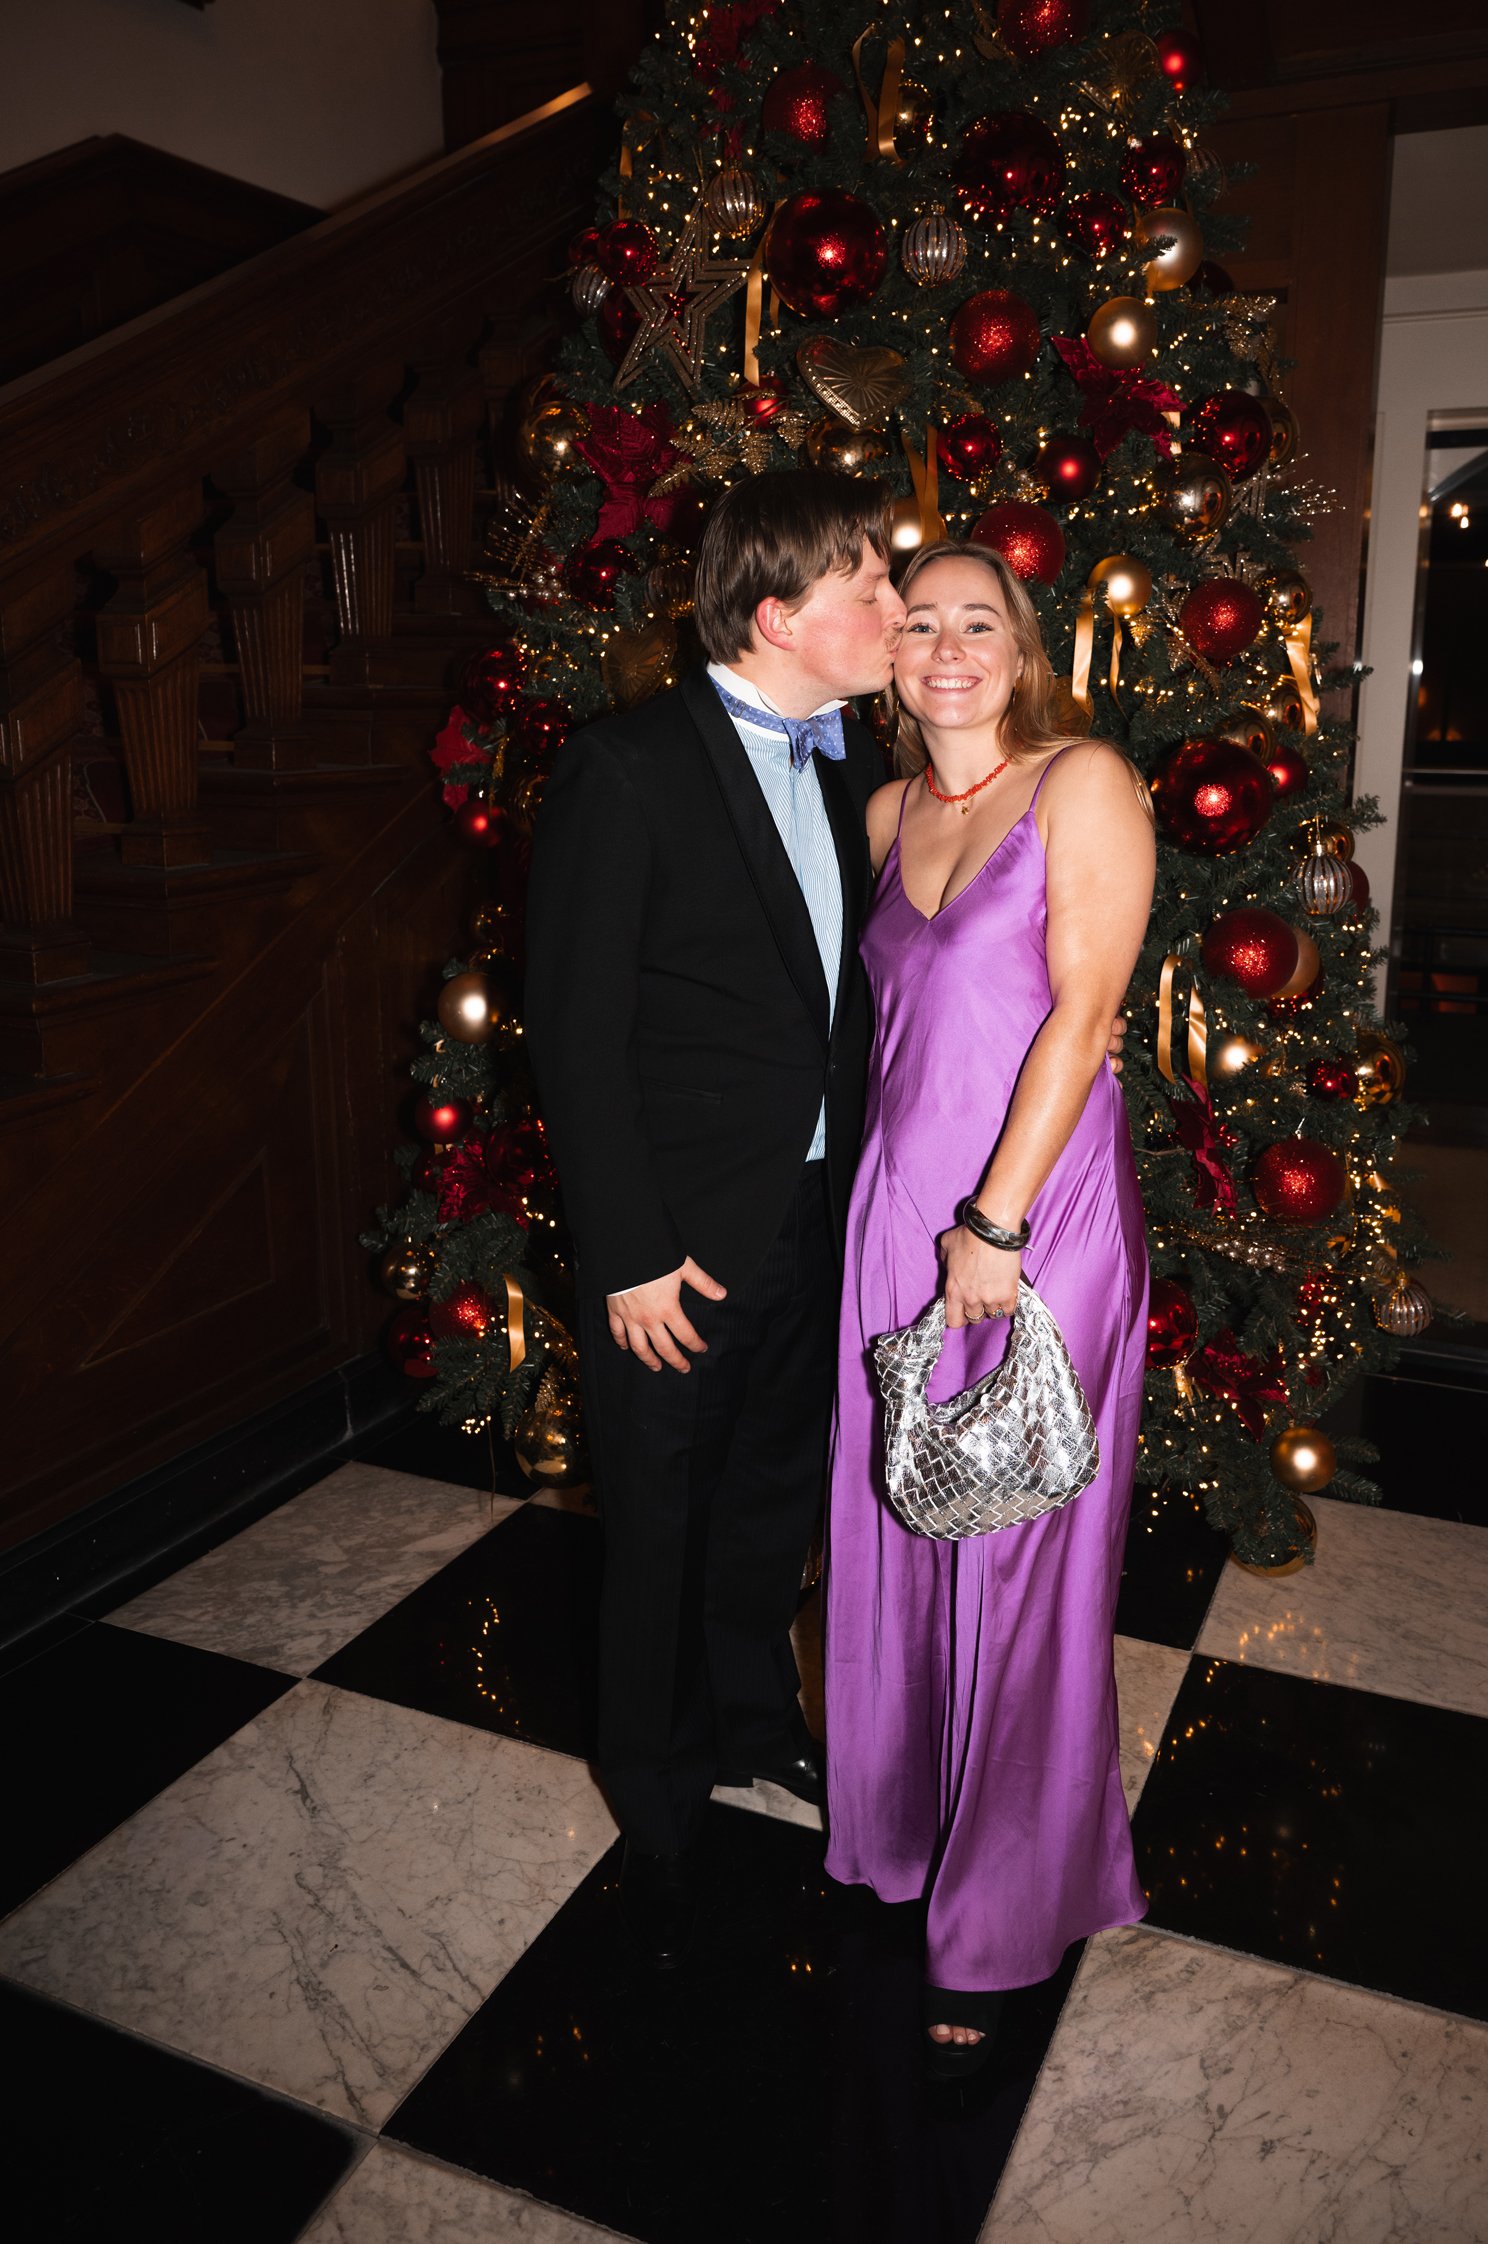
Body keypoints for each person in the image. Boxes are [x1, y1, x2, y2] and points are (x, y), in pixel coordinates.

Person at [524, 469, 903, 1963]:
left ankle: (753, 1717)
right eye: (865, 588)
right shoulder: (625, 768)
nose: (891, 610)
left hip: (822, 1217)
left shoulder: (853, 759)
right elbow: (573, 1027)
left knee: (770, 1502)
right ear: (776, 613)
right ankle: (655, 1768)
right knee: (664, 1513)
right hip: (673, 1241)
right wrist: (622, 1251)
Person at [821, 540, 1157, 2073]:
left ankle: (1005, 1914)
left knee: (1017, 1555)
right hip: (899, 1217)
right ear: (886, 654)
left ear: (1021, 648)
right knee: (897, 1530)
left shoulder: (1082, 781)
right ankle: (903, 1835)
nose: (947, 646)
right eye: (921, 623)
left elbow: (1084, 1013)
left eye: (979, 622)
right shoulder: (889, 812)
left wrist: (996, 1222)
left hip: (1035, 1220)